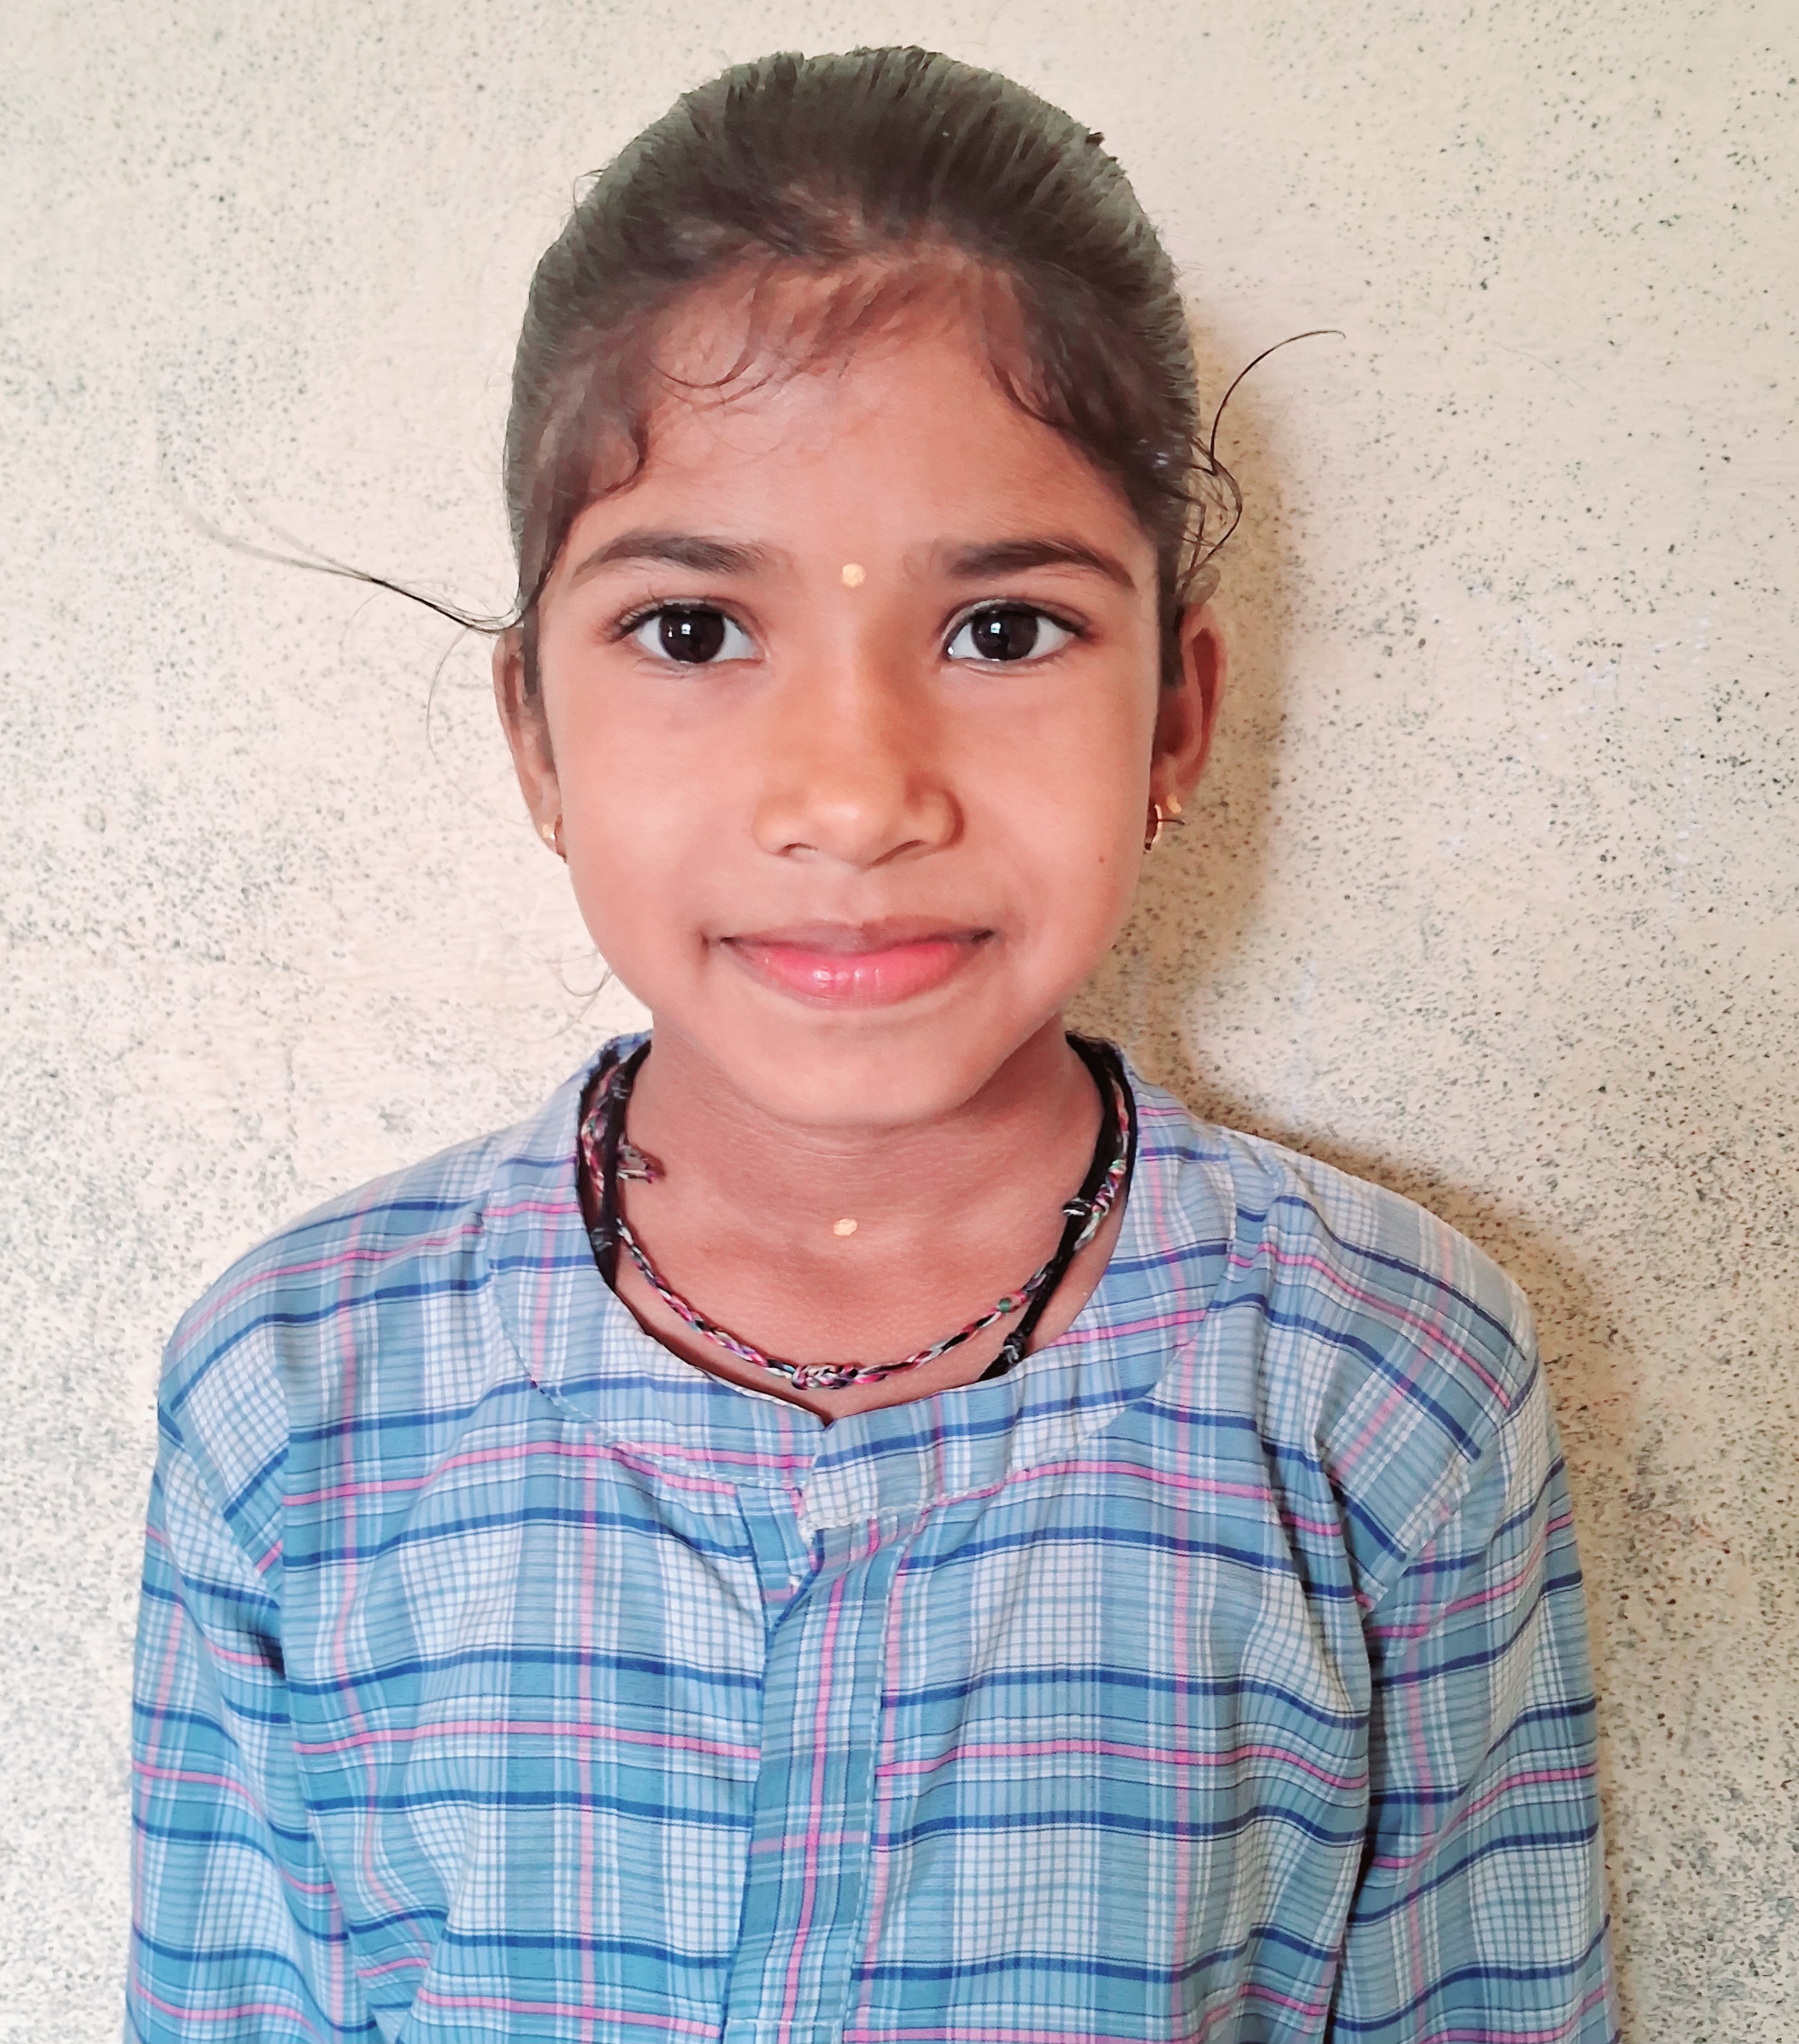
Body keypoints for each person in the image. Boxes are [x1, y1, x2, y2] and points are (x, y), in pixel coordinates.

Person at [128, 46, 1617, 2044]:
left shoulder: (1386, 1392)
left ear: (1176, 720)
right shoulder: (298, 1398)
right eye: (692, 630)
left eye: (1001, 630)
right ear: (534, 734)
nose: (852, 797)